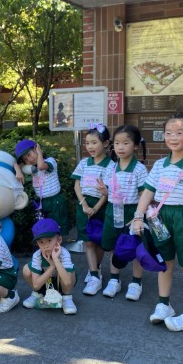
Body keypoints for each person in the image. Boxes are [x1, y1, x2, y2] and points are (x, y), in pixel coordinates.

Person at [132, 112, 183, 332]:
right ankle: (164, 305)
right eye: (168, 133)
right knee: (164, 264)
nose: (172, 137)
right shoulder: (159, 165)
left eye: (179, 132)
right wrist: (138, 217)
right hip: (160, 216)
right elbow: (148, 192)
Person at [99, 125, 148, 300]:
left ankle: (136, 282)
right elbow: (109, 191)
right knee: (114, 245)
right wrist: (104, 191)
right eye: (117, 143)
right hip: (113, 210)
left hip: (133, 212)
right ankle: (114, 279)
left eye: (126, 143)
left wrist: (138, 216)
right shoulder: (111, 167)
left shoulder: (139, 169)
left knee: (136, 246)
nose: (120, 147)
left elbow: (144, 195)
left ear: (136, 146)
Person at [70, 123, 114, 296]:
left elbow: (107, 191)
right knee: (88, 241)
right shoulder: (83, 163)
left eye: (94, 142)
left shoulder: (110, 165)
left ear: (105, 143)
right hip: (84, 205)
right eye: (87, 143)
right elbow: (76, 185)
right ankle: (95, 275)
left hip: (101, 206)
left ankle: (96, 268)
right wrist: (84, 204)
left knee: (99, 241)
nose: (90, 147)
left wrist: (95, 208)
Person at [14, 139, 70, 236]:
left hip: (55, 201)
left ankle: (59, 244)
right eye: (26, 159)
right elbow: (15, 163)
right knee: (46, 228)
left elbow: (41, 166)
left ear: (36, 148)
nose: (29, 159)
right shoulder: (31, 168)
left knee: (57, 226)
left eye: (29, 154)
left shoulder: (50, 161)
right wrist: (18, 170)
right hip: (42, 202)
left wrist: (39, 153)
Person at [22, 218, 77, 314]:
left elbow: (68, 282)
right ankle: (39, 294)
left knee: (70, 273)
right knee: (26, 269)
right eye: (41, 242)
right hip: (45, 283)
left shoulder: (64, 254)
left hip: (61, 285)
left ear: (59, 240)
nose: (45, 246)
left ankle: (66, 298)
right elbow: (36, 285)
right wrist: (51, 267)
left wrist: (56, 260)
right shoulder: (37, 255)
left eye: (49, 240)